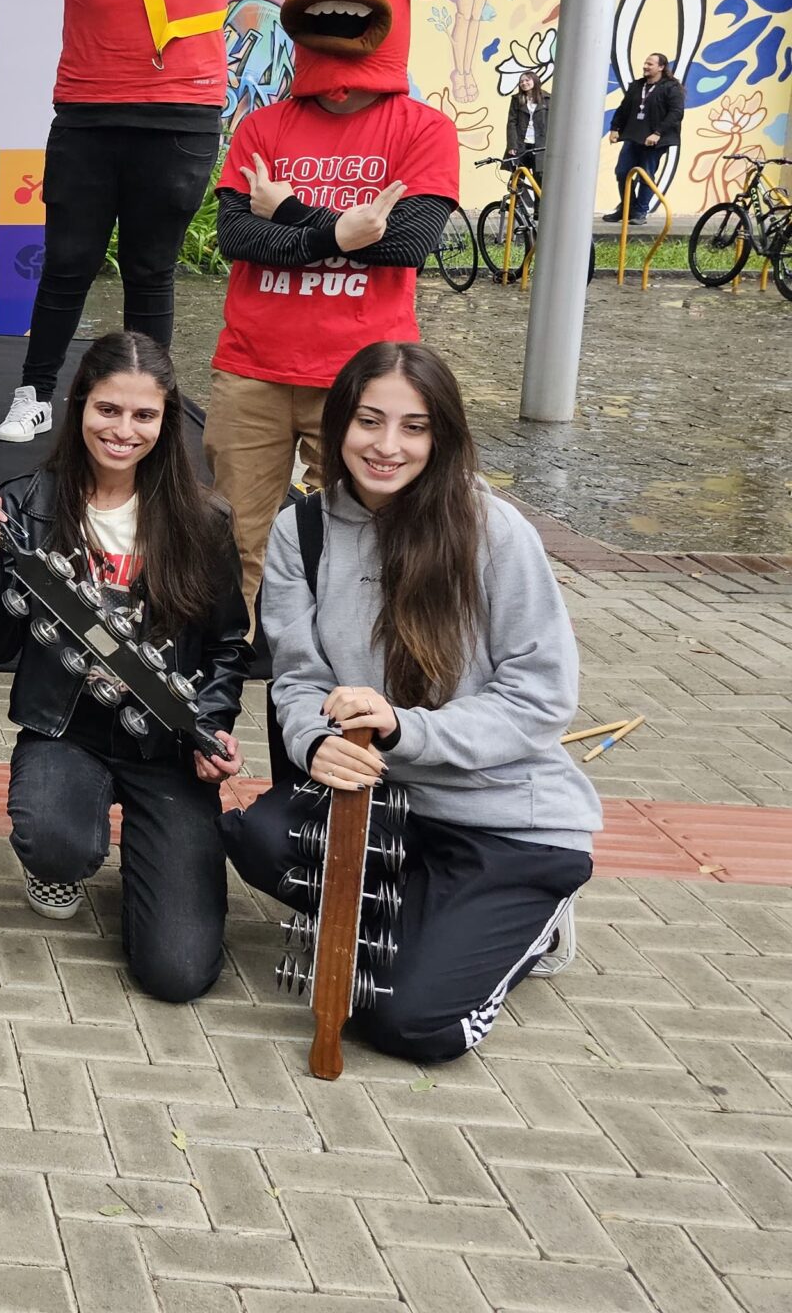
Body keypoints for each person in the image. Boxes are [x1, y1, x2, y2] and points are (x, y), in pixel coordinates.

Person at [222, 342, 596, 1063]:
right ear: (337, 426)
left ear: (442, 435)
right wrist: (312, 744)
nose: (387, 446)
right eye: (369, 421)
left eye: (414, 426)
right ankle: (426, 919)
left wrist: (404, 729)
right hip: (387, 809)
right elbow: (298, 677)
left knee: (409, 1026)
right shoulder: (303, 531)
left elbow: (543, 698)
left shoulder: (494, 532)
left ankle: (535, 917)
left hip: (504, 825)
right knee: (261, 839)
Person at [0, 0, 322, 444]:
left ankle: (149, 406)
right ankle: (35, 391)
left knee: (151, 269)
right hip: (85, 116)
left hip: (178, 121)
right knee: (68, 263)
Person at [0, 332, 250, 1001]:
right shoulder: (27, 503)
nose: (123, 430)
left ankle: (157, 863)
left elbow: (231, 645)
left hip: (167, 746)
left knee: (177, 972)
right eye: (107, 410)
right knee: (55, 835)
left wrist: (211, 724)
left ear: (167, 419)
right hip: (67, 732)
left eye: (143, 415)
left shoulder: (203, 521)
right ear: (78, 405)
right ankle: (64, 852)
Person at [207, 0, 462, 601]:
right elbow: (235, 237)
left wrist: (287, 212)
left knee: (359, 548)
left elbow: (406, 245)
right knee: (233, 543)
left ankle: (345, 682)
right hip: (250, 369)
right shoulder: (262, 125)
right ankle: (224, 684)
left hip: (363, 379)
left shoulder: (424, 129)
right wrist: (334, 232)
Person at [607, 51, 682, 222]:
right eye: (645, 63)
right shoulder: (637, 86)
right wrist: (614, 128)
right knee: (622, 172)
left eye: (650, 64)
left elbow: (676, 113)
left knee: (646, 174)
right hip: (634, 137)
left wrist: (657, 133)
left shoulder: (671, 87)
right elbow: (623, 108)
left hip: (655, 141)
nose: (645, 67)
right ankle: (627, 208)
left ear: (661, 67)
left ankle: (641, 212)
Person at [505, 69, 550, 168]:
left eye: (527, 80)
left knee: (538, 178)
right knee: (517, 178)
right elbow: (511, 123)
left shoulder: (547, 99)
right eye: (521, 81)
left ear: (535, 81)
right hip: (521, 145)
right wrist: (512, 145)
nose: (524, 83)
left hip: (540, 146)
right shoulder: (516, 99)